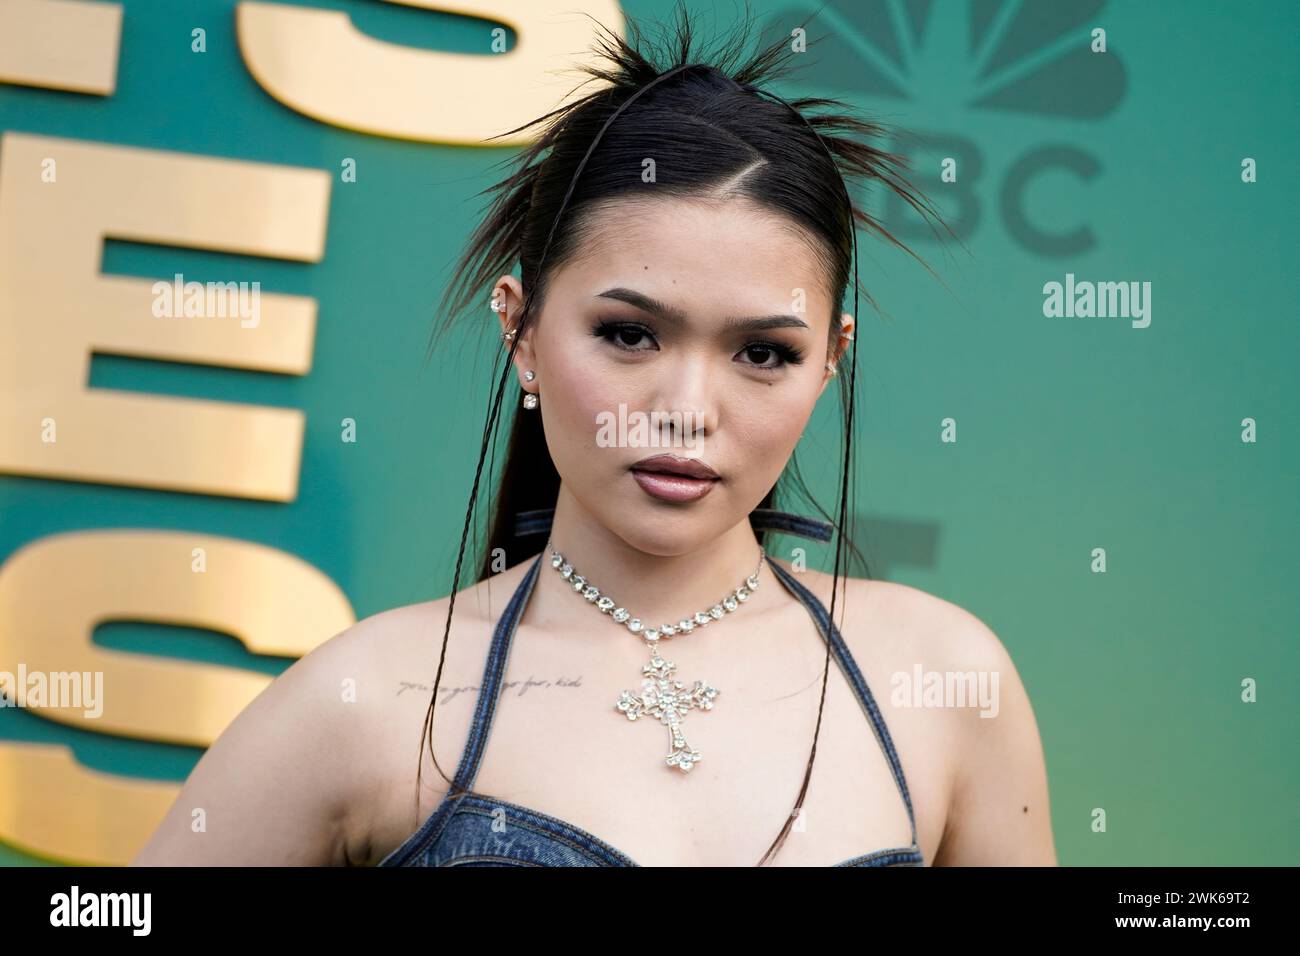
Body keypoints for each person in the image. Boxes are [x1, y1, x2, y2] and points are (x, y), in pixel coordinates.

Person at [132, 3, 1056, 867]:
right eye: (628, 334)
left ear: (830, 359)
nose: (689, 407)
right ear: (521, 328)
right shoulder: (369, 699)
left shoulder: (943, 682)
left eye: (764, 352)